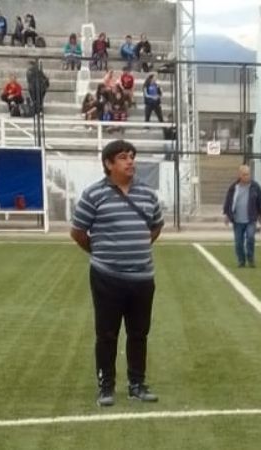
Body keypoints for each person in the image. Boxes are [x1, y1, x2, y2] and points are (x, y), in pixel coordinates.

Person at [70, 139, 164, 407]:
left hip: (142, 278)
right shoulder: (94, 195)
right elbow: (77, 232)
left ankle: (137, 384)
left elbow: (156, 225)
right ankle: (106, 386)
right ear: (109, 164)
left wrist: (139, 246)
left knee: (139, 333)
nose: (130, 161)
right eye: (123, 157)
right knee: (107, 334)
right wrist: (101, 254)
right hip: (106, 277)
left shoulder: (147, 194)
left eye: (132, 156)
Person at [222, 165, 261, 268]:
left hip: (251, 218)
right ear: (240, 175)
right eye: (245, 175)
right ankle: (241, 261)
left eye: (248, 174)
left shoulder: (255, 187)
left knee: (250, 237)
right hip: (237, 219)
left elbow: (260, 201)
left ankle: (250, 259)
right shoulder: (233, 187)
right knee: (238, 242)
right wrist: (227, 215)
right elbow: (228, 201)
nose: (247, 176)